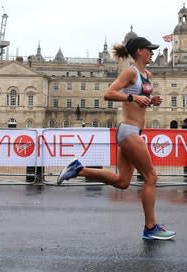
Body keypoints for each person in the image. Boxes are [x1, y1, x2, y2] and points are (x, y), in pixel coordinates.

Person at [57, 36, 175, 240]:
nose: (152, 52)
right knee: (151, 176)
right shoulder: (131, 72)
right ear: (139, 51)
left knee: (122, 182)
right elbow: (109, 93)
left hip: (135, 131)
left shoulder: (147, 74)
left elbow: (138, 101)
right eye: (149, 49)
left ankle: (78, 169)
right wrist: (133, 97)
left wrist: (150, 101)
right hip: (128, 130)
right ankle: (150, 227)